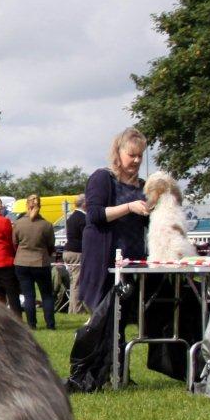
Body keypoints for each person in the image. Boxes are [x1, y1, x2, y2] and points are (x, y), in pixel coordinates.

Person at [79, 128, 149, 313]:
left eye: (140, 156)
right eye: (132, 155)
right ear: (118, 152)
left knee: (125, 316)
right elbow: (94, 215)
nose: (137, 160)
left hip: (133, 261)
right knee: (105, 316)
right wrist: (129, 207)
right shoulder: (103, 178)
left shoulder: (144, 186)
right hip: (105, 262)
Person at [13, 194, 56, 330]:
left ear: (26, 205)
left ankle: (31, 324)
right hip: (41, 262)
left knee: (28, 294)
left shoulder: (18, 224)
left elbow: (14, 242)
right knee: (46, 295)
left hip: (22, 262)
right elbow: (51, 244)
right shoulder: (46, 225)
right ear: (40, 206)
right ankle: (50, 324)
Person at [62, 194, 87, 313]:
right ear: (84, 204)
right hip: (76, 252)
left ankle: (72, 308)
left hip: (68, 251)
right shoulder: (82, 218)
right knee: (77, 282)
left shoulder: (71, 217)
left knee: (73, 282)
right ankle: (77, 309)